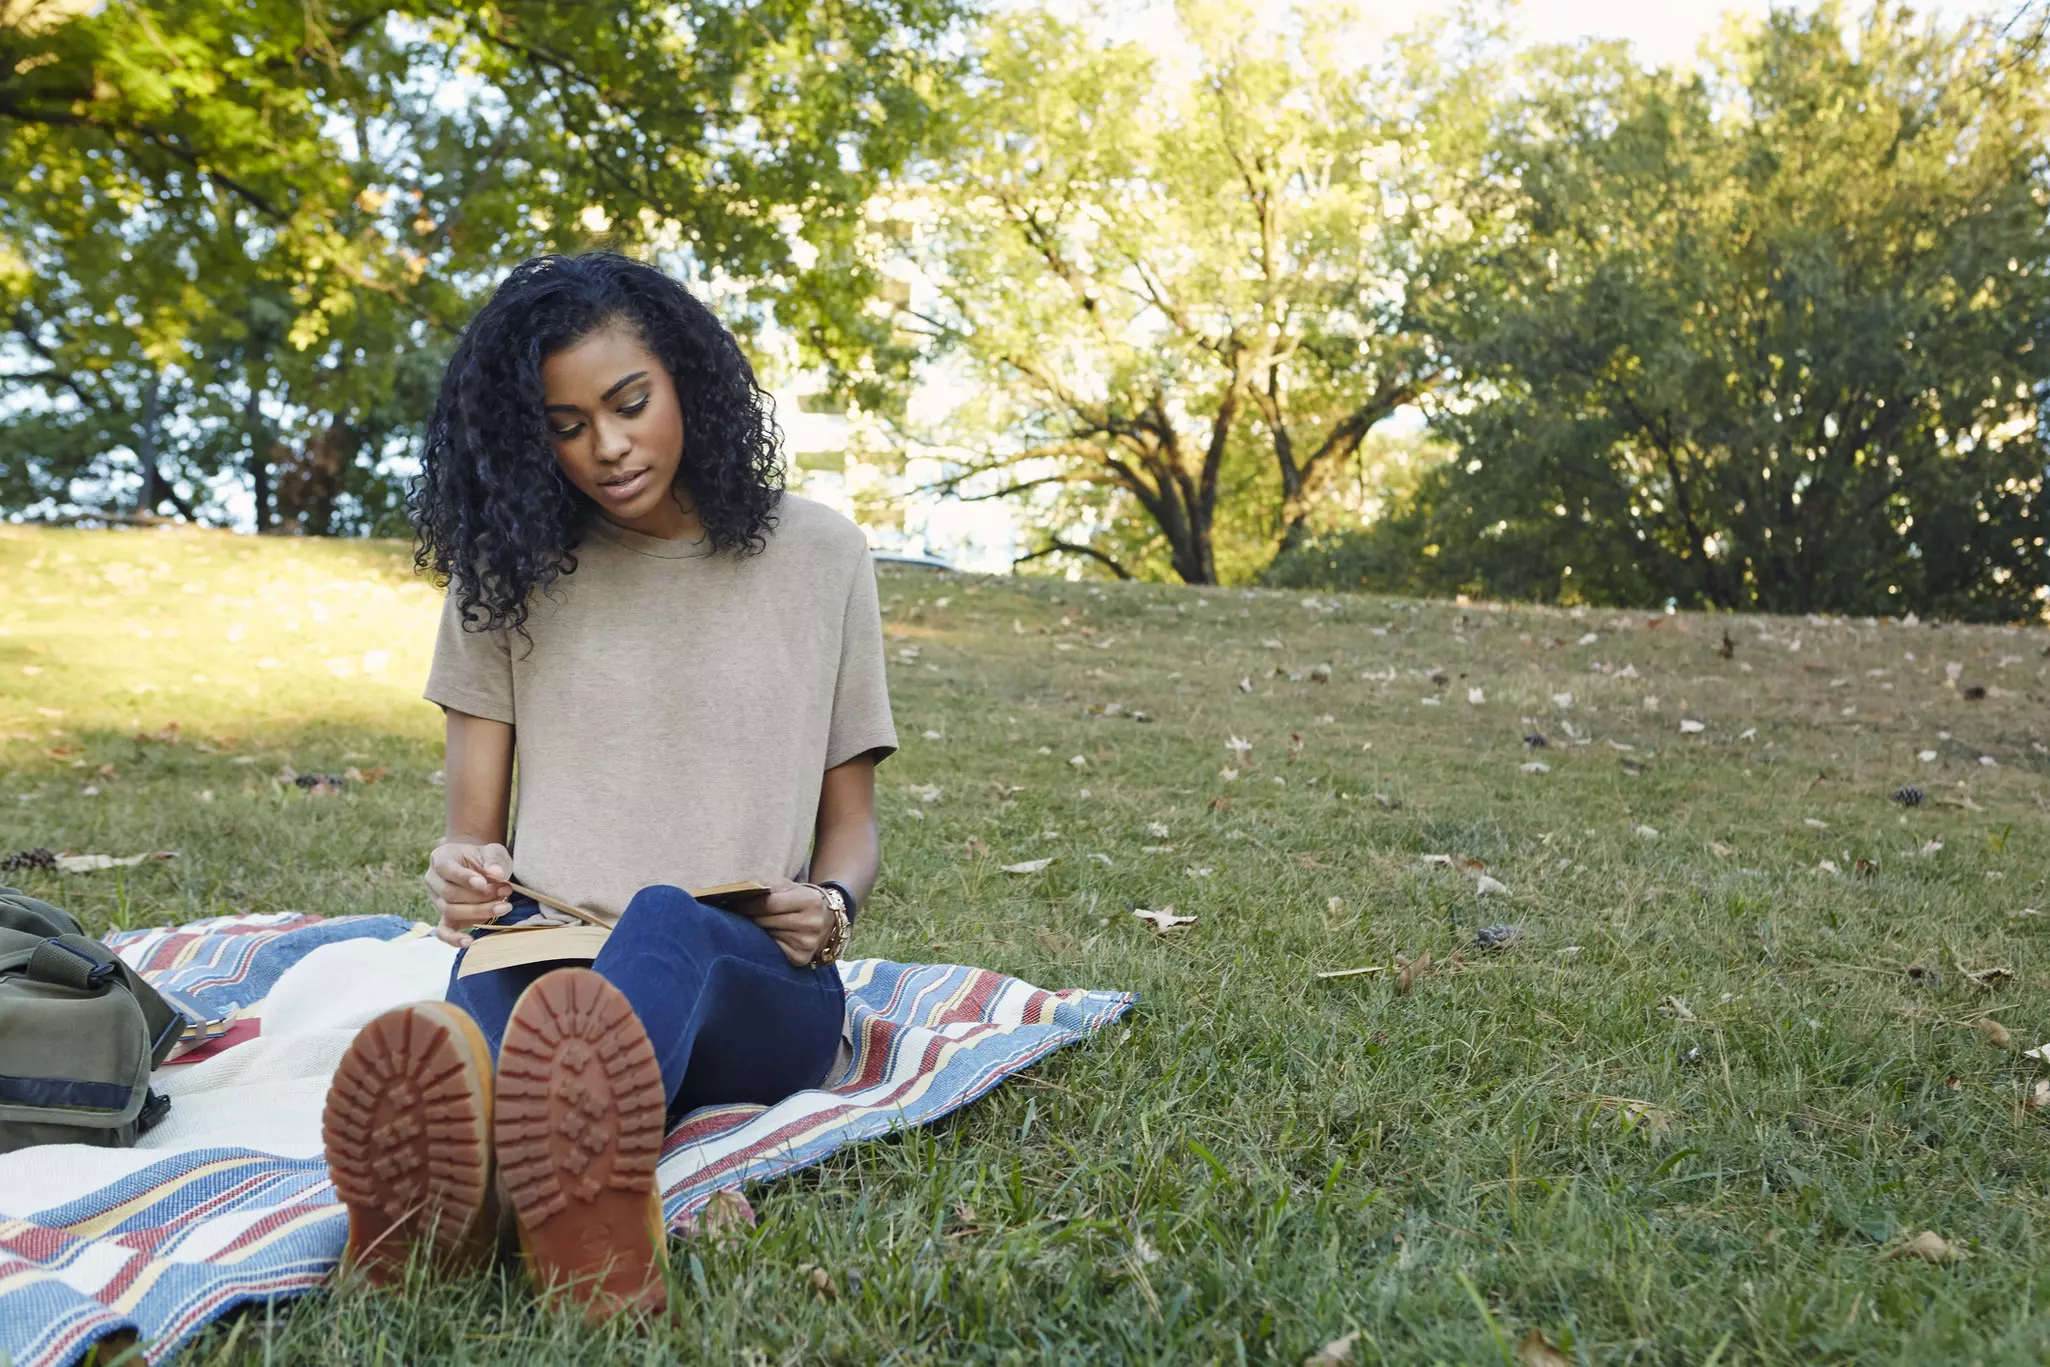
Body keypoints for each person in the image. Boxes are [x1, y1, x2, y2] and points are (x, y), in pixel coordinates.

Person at [319, 252, 895, 1319]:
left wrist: (831, 905)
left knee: (661, 925)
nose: (607, 445)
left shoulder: (821, 554)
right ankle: (479, 1206)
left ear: (687, 377)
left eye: (629, 403)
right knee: (484, 1034)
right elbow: (469, 841)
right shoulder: (506, 572)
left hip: (749, 967)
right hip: (542, 944)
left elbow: (851, 826)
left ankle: (551, 1180)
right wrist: (461, 874)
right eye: (566, 423)